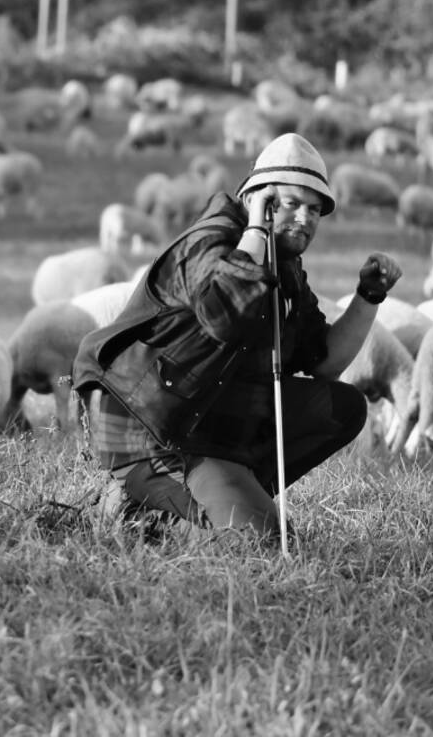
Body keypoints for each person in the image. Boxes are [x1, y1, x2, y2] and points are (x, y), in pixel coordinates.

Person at [71, 133, 402, 542]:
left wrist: (369, 296)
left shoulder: (287, 267)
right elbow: (223, 313)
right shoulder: (208, 242)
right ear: (255, 201)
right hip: (148, 428)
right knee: (256, 543)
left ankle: (227, 494)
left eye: (315, 209)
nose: (305, 219)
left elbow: (324, 362)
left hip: (205, 423)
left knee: (342, 407)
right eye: (290, 203)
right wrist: (257, 232)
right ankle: (136, 510)